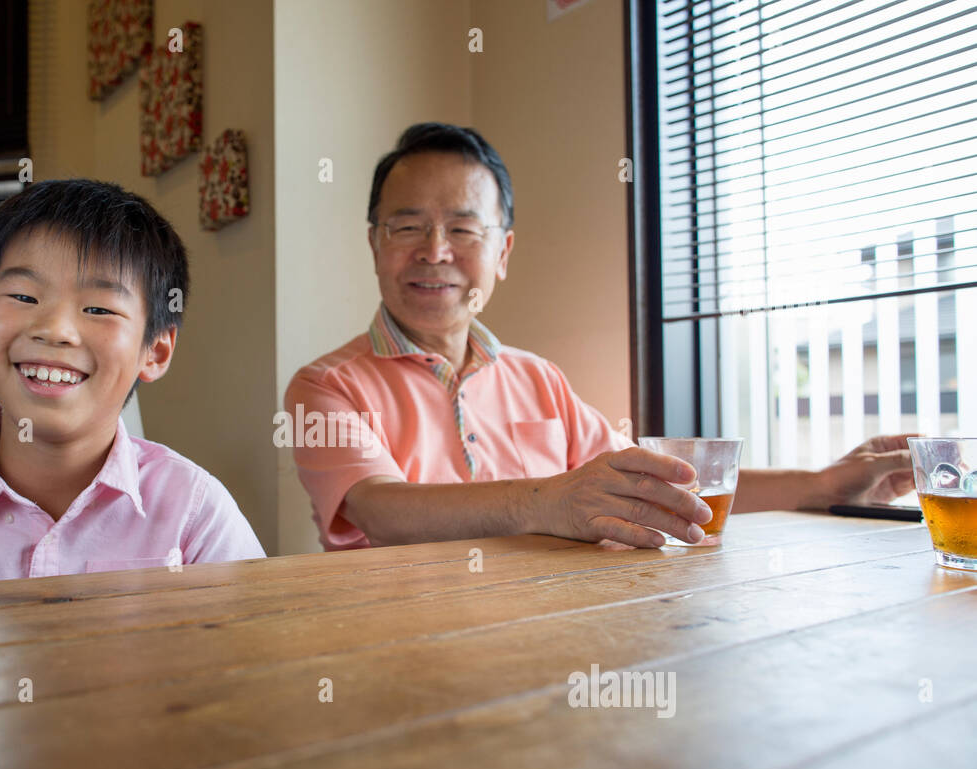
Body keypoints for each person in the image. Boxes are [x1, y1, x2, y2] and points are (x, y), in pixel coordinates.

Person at [285, 123, 915, 551]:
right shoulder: (325, 387)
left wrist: (820, 486)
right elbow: (381, 511)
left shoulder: (539, 379)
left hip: (547, 635)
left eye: (463, 230)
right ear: (374, 243)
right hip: (391, 647)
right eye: (407, 227)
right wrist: (548, 501)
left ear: (502, 252)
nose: (435, 251)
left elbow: (659, 488)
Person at [0, 179, 264, 592]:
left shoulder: (194, 510)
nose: (56, 330)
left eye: (98, 308)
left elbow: (256, 654)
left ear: (154, 351)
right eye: (23, 297)